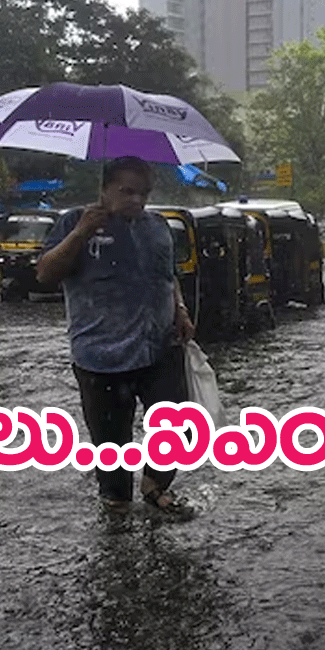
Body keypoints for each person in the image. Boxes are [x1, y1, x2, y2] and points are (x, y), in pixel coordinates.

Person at [36, 156, 196, 516]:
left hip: (159, 346)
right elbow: (45, 273)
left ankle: (155, 485)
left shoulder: (157, 227)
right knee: (112, 446)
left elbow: (167, 275)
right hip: (101, 355)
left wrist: (180, 308)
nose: (136, 200)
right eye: (127, 191)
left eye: (143, 193)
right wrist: (81, 233)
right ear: (104, 189)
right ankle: (116, 504)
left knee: (179, 426)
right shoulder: (74, 222)